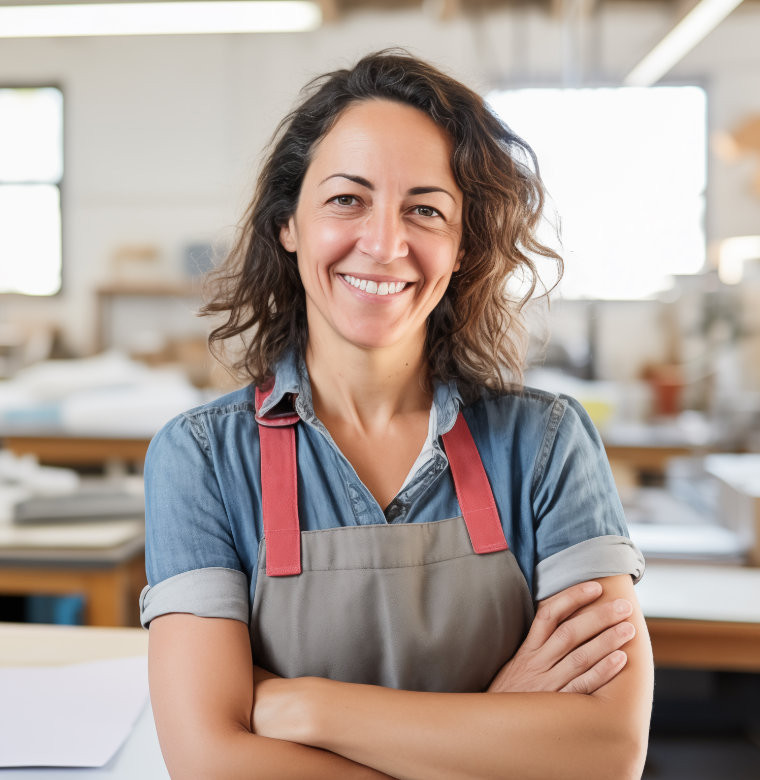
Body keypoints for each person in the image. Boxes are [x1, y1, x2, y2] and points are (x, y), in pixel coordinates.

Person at [140, 51, 652, 779]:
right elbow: (209, 761)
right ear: (288, 223)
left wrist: (303, 708)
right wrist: (501, 730)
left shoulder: (546, 446)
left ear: (462, 245)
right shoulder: (201, 460)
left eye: (425, 209)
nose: (384, 244)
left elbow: (607, 752)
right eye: (347, 200)